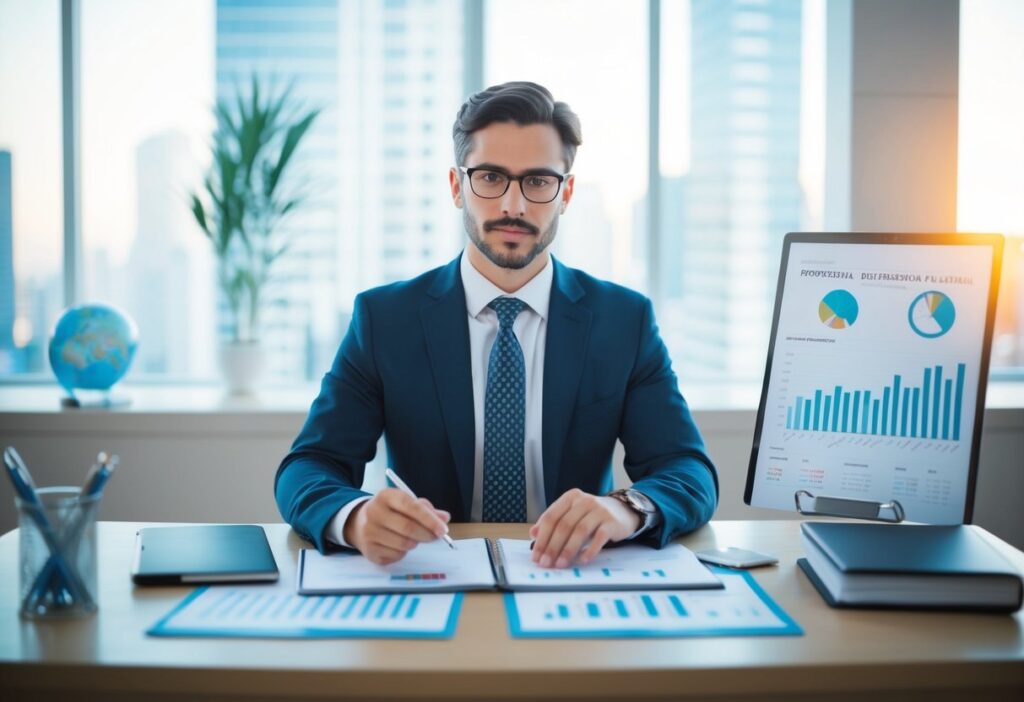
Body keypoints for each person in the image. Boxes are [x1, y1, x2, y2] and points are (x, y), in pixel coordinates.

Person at [275, 81, 718, 568]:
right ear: (456, 186)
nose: (514, 206)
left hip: (571, 577)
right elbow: (308, 467)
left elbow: (687, 471)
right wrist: (355, 518)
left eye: (538, 181)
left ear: (565, 192)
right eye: (490, 177)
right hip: (431, 576)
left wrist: (622, 509)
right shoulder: (385, 320)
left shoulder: (623, 321)